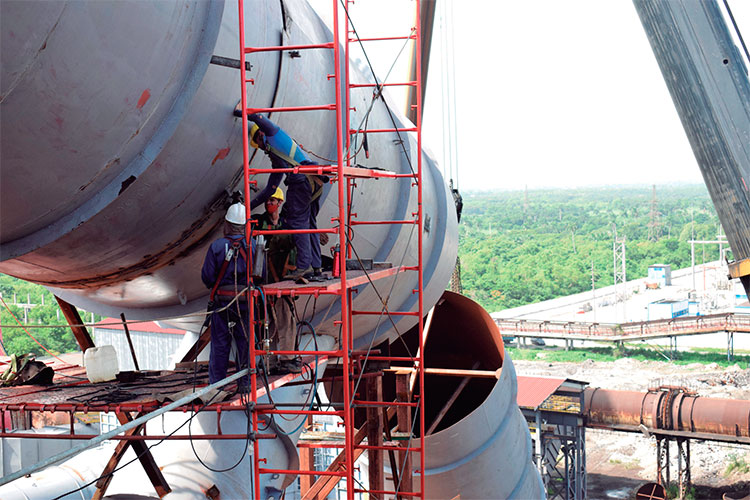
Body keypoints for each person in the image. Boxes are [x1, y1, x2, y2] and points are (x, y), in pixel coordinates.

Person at [236, 110, 328, 280]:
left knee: (297, 222)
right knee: (309, 223)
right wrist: (248, 206)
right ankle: (316, 267)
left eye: (258, 142)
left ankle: (304, 266)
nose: (262, 147)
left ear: (260, 134)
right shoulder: (278, 156)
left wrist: (240, 112)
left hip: (301, 182)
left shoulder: (274, 134)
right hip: (314, 182)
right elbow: (271, 188)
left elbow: (259, 117)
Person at [201, 202, 254, 386]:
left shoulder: (217, 246)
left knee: (220, 344)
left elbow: (207, 277)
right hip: (246, 302)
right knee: (245, 342)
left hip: (222, 303)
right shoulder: (253, 246)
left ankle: (217, 385)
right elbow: (261, 275)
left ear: (227, 224)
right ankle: (245, 383)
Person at [255, 187, 301, 374]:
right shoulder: (259, 222)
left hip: (282, 279)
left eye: (273, 201)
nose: (269, 204)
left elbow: (294, 247)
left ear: (280, 203)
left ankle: (287, 358)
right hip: (265, 279)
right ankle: (272, 360)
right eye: (268, 201)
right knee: (268, 322)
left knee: (285, 319)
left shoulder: (285, 223)